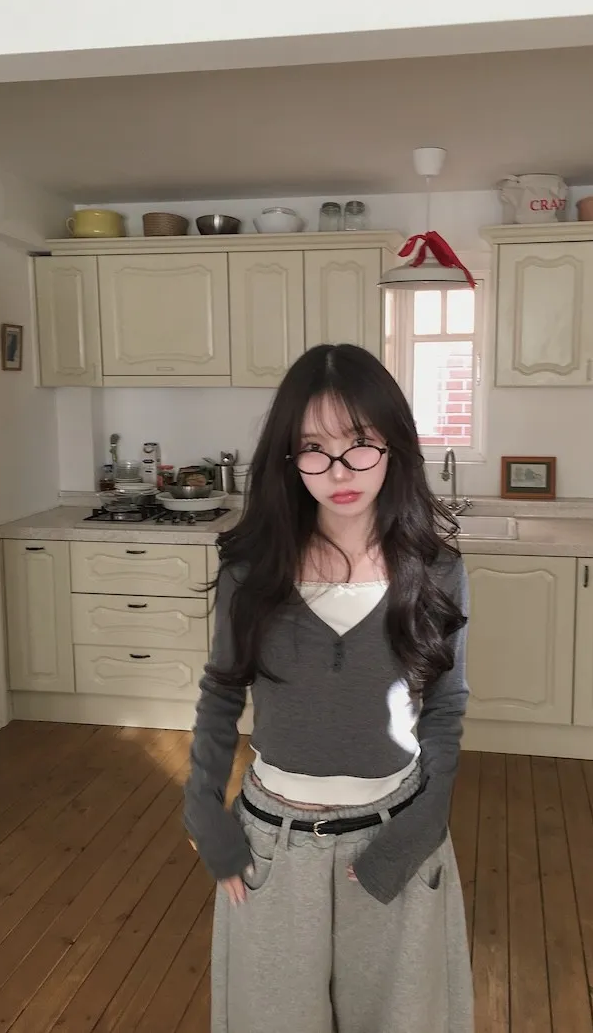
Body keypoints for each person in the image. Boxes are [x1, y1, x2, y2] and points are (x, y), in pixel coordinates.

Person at [184, 343, 472, 1033]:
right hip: (271, 848)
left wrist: (425, 824)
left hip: (397, 837)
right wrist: (203, 810)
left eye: (359, 443)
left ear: (393, 445)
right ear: (288, 457)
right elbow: (222, 693)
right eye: (314, 447)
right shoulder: (251, 571)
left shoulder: (436, 570)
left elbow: (445, 704)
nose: (339, 471)